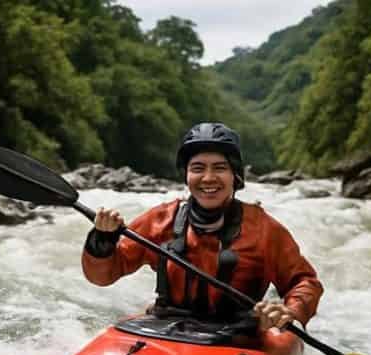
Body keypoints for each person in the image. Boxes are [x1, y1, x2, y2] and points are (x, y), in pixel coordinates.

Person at [82, 122, 323, 335]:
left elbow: (304, 282)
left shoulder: (263, 229)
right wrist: (101, 242)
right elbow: (102, 277)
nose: (208, 178)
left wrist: (289, 311)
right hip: (167, 327)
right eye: (198, 168)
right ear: (186, 175)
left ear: (235, 176)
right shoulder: (160, 220)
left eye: (219, 168)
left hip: (238, 334)